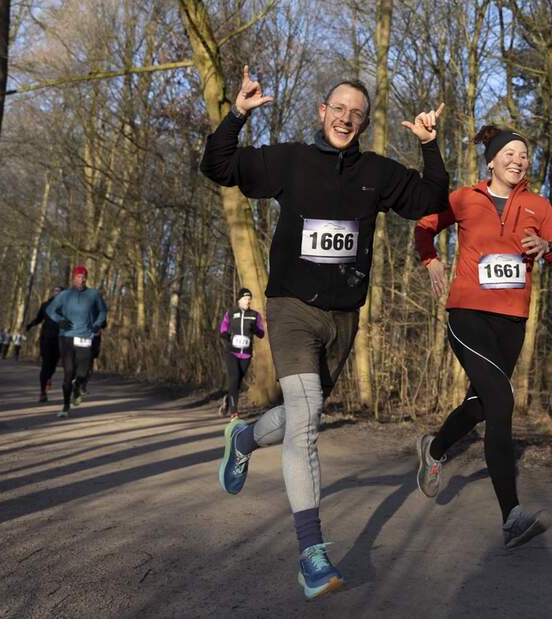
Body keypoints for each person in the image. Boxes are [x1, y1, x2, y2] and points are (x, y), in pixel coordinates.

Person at [201, 65, 448, 599]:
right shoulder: (289, 160)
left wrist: (430, 145)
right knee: (307, 420)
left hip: (343, 316)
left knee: (299, 414)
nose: (346, 118)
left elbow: (432, 201)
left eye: (356, 113)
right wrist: (237, 114)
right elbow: (217, 165)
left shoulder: (377, 174)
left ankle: (243, 436)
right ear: (322, 112)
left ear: (363, 123)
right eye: (338, 108)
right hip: (290, 305)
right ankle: (312, 552)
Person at [413, 124, 552, 549]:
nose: (518, 160)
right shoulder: (465, 198)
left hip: (512, 322)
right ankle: (512, 516)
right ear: (492, 160)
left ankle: (434, 448)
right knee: (501, 402)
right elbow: (425, 225)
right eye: (511, 153)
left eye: (524, 154)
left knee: (482, 403)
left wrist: (546, 247)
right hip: (467, 314)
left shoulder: (539, 205)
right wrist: (430, 260)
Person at [46, 267, 108, 418]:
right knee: (68, 372)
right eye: (79, 277)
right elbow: (50, 309)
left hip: (85, 336)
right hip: (66, 336)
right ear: (74, 278)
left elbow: (103, 311)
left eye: (84, 277)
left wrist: (98, 324)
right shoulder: (65, 295)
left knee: (83, 371)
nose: (82, 279)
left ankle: (78, 386)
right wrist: (60, 321)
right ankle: (66, 406)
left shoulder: (94, 294)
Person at [218, 288, 266, 418]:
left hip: (246, 354)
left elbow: (261, 333)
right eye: (245, 298)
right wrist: (226, 336)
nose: (248, 301)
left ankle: (228, 399)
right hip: (231, 352)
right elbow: (223, 328)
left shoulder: (255, 315)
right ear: (239, 300)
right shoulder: (231, 312)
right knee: (233, 379)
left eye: (249, 298)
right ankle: (234, 412)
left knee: (237, 382)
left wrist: (255, 328)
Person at [26, 286, 63, 403]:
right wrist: (30, 324)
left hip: (59, 339)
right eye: (55, 291)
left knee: (53, 366)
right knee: (45, 365)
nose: (57, 293)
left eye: (59, 291)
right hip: (46, 338)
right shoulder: (45, 305)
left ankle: (48, 378)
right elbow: (39, 319)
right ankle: (42, 392)